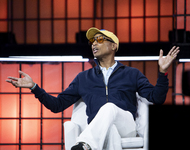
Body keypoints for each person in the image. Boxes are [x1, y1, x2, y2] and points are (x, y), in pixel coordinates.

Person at [6, 27, 180, 150]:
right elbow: (57, 105)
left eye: (99, 40)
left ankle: (84, 145)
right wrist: (34, 87)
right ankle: (87, 144)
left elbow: (157, 98)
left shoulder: (132, 74)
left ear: (114, 46)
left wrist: (162, 72)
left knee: (109, 108)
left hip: (126, 124)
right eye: (92, 41)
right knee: (109, 132)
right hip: (101, 128)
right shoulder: (83, 78)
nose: (93, 44)